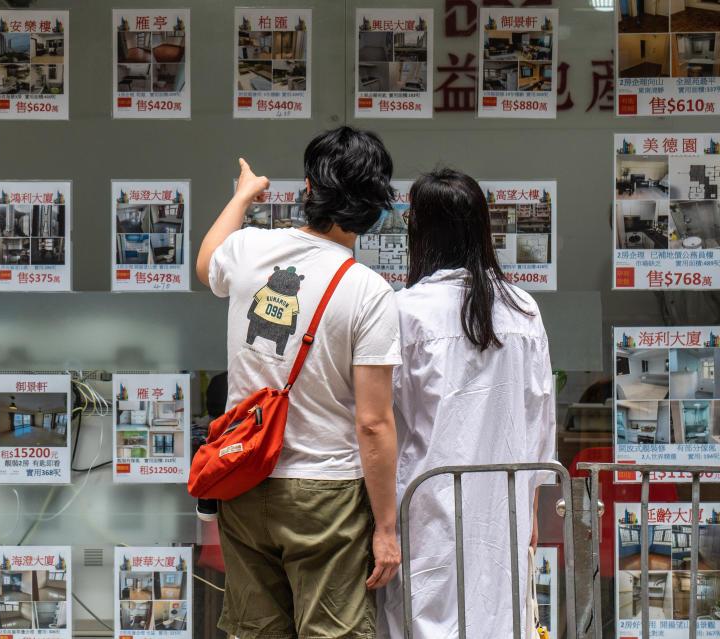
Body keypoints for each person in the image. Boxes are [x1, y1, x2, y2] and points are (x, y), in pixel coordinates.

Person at [196, 126, 402, 639]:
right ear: (374, 208)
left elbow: (206, 265)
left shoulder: (249, 251)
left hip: (246, 478)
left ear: (308, 189)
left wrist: (242, 196)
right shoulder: (369, 292)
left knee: (257, 631)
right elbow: (373, 424)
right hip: (326, 492)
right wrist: (386, 527)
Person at [377, 169, 556, 638]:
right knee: (498, 617)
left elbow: (381, 419)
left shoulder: (406, 311)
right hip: (505, 509)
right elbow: (540, 417)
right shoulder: (523, 309)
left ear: (422, 232)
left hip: (424, 504)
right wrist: (532, 505)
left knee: (423, 619)